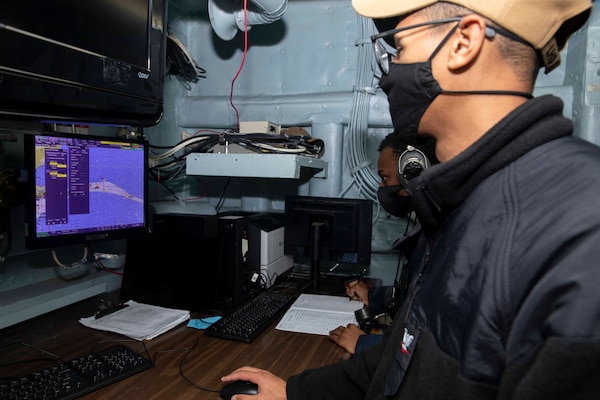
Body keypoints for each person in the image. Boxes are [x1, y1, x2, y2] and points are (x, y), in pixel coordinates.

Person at [222, 1, 600, 399]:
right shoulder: (462, 200)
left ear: (463, 43)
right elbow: (402, 356)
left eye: (399, 48)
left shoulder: (580, 225)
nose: (389, 70)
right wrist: (294, 393)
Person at [329, 131, 436, 356]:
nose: (381, 185)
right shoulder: (428, 230)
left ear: (412, 173)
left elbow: (429, 342)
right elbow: (413, 297)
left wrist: (364, 344)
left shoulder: (439, 239)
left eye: (384, 177)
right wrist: (373, 296)